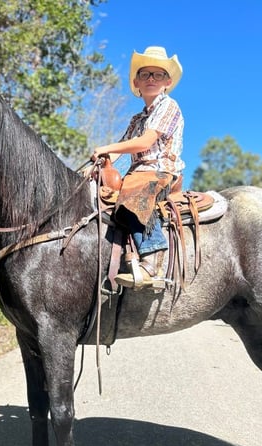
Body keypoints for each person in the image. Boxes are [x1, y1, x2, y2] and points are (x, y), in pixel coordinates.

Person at [92, 46, 185, 289]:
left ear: (168, 81)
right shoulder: (137, 119)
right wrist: (99, 159)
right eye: (145, 75)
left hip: (161, 171)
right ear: (136, 82)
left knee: (133, 198)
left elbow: (145, 142)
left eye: (158, 75)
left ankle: (151, 261)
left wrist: (107, 147)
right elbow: (121, 147)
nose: (151, 79)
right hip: (137, 174)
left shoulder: (169, 106)